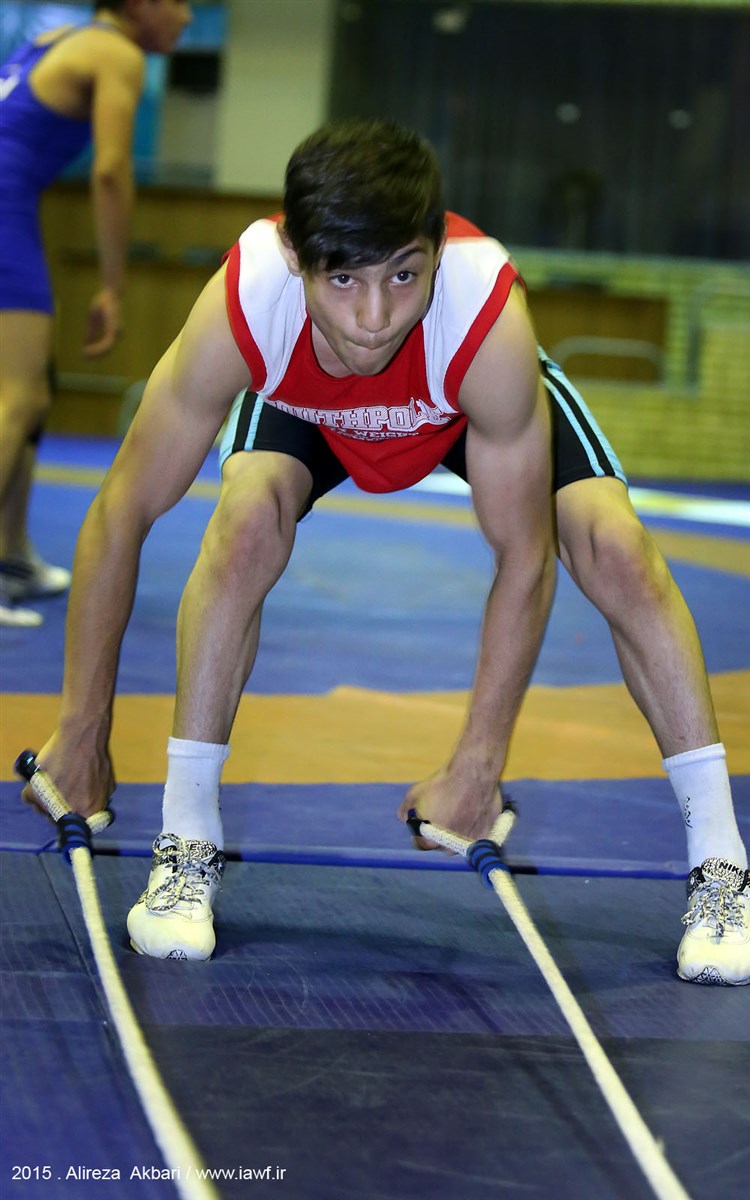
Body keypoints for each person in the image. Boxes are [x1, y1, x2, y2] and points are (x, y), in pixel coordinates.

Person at [23, 119, 748, 985]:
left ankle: (723, 868)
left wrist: (478, 765)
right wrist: (83, 728)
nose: (374, 319)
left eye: (405, 274)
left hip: (458, 402)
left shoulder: (481, 313)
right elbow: (122, 511)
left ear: (438, 250)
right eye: (344, 280)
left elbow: (523, 558)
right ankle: (186, 845)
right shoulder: (248, 298)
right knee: (244, 523)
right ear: (295, 258)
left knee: (616, 546)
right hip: (305, 406)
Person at [0, 0, 192, 627]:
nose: (187, 17)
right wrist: (112, 286)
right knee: (16, 398)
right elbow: (110, 171)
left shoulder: (58, 37)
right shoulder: (116, 52)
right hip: (5, 209)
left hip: (12, 205)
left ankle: (10, 555)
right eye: (178, 2)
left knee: (32, 389)